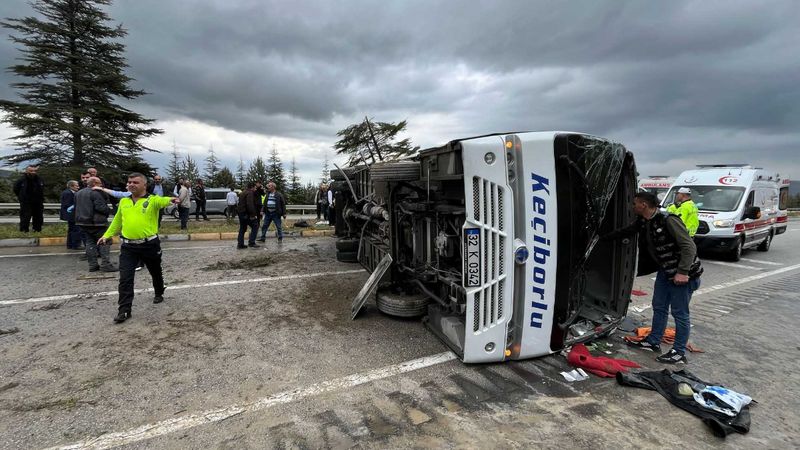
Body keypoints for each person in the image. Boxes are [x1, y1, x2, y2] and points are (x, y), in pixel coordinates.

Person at [606, 191, 703, 364]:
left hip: (683, 275)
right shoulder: (645, 220)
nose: (632, 206)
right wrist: (603, 237)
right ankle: (653, 342)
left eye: (635, 203)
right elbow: (628, 231)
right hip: (665, 272)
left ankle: (679, 352)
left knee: (680, 313)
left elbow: (689, 246)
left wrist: (683, 272)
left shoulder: (668, 220)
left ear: (644, 205)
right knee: (659, 307)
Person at [98, 172, 179, 323]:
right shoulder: (124, 202)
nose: (131, 185)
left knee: (155, 271)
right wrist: (107, 235)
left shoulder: (152, 200)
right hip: (128, 247)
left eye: (135, 182)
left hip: (150, 244)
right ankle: (124, 310)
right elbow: (117, 222)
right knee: (125, 279)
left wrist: (172, 200)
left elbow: (163, 201)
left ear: (144, 185)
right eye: (129, 182)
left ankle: (159, 291)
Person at [75, 177, 118, 272]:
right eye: (99, 183)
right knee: (105, 241)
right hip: (97, 222)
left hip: (83, 222)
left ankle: (93, 265)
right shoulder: (96, 193)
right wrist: (110, 211)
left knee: (90, 243)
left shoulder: (79, 193)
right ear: (94, 183)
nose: (101, 185)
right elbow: (100, 207)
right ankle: (106, 264)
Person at [13, 165, 45, 233]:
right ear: (27, 171)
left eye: (35, 171)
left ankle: (37, 230)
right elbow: (16, 189)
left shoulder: (40, 179)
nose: (33, 172)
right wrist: (21, 197)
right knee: (25, 217)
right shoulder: (21, 180)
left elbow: (43, 189)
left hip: (38, 202)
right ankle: (24, 231)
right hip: (26, 202)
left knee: (38, 217)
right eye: (31, 171)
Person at [237, 182, 260, 249]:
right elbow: (249, 204)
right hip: (246, 214)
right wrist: (253, 214)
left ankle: (240, 244)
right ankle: (252, 242)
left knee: (242, 228)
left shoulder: (243, 192)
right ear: (252, 187)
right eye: (255, 187)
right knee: (255, 225)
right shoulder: (250, 193)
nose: (255, 189)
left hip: (241, 213)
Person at [60, 180, 82, 249]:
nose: (78, 187)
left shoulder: (70, 192)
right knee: (76, 230)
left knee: (72, 230)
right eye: (76, 186)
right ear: (71, 186)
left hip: (71, 214)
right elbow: (68, 205)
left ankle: (70, 245)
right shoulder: (68, 193)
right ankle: (75, 245)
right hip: (71, 215)